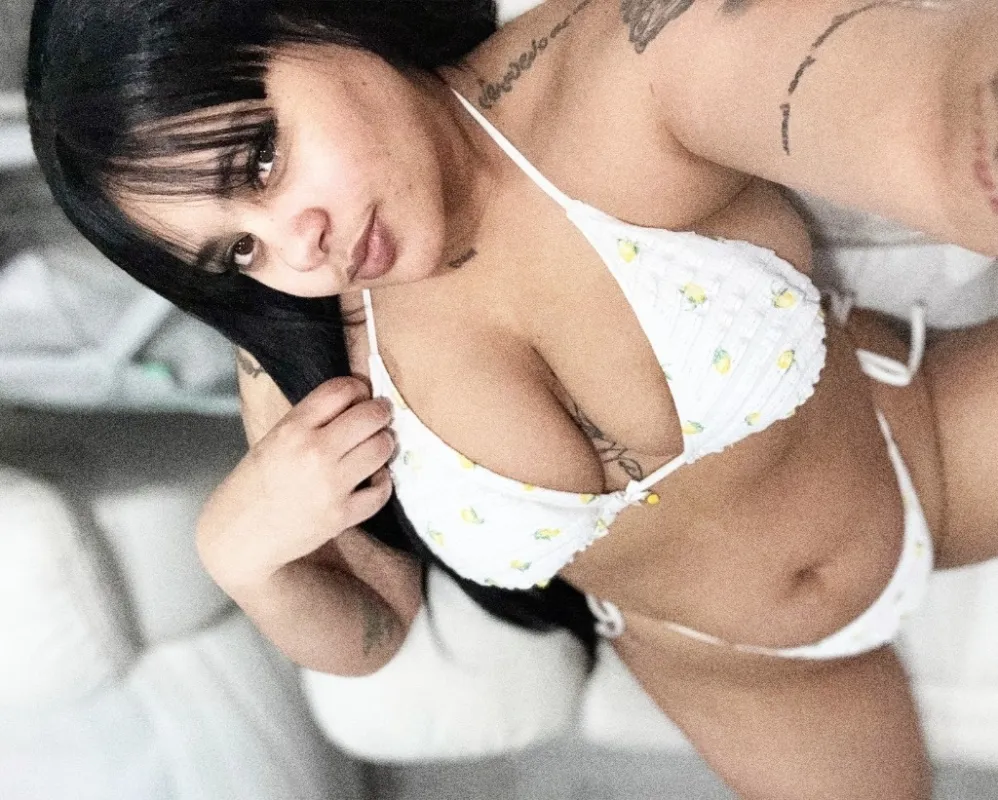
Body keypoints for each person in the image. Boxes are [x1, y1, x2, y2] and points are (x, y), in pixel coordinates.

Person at [26, 0, 998, 795]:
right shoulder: (302, 357)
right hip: (733, 666)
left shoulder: (621, 69)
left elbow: (933, 107)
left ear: (312, 16)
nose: (298, 246)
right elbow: (373, 628)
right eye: (238, 250)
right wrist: (246, 561)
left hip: (928, 449)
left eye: (261, 160)